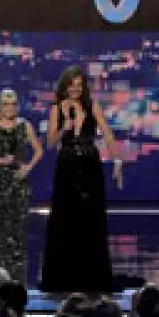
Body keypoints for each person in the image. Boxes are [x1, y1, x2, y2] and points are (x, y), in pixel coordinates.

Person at [40, 66, 121, 295]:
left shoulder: (92, 106)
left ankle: (92, 277)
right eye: (71, 84)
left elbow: (107, 134)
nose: (75, 88)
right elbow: (50, 143)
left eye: (79, 84)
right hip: (67, 165)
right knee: (66, 219)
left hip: (89, 165)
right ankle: (63, 278)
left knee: (90, 219)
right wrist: (65, 127)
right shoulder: (57, 109)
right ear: (64, 86)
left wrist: (117, 161)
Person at [0, 88, 44, 285]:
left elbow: (39, 150)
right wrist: (1, 161)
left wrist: (27, 168)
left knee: (18, 230)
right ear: (0, 105)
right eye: (6, 104)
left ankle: (18, 280)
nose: (10, 107)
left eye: (13, 103)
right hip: (0, 183)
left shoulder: (25, 126)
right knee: (0, 230)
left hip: (19, 184)